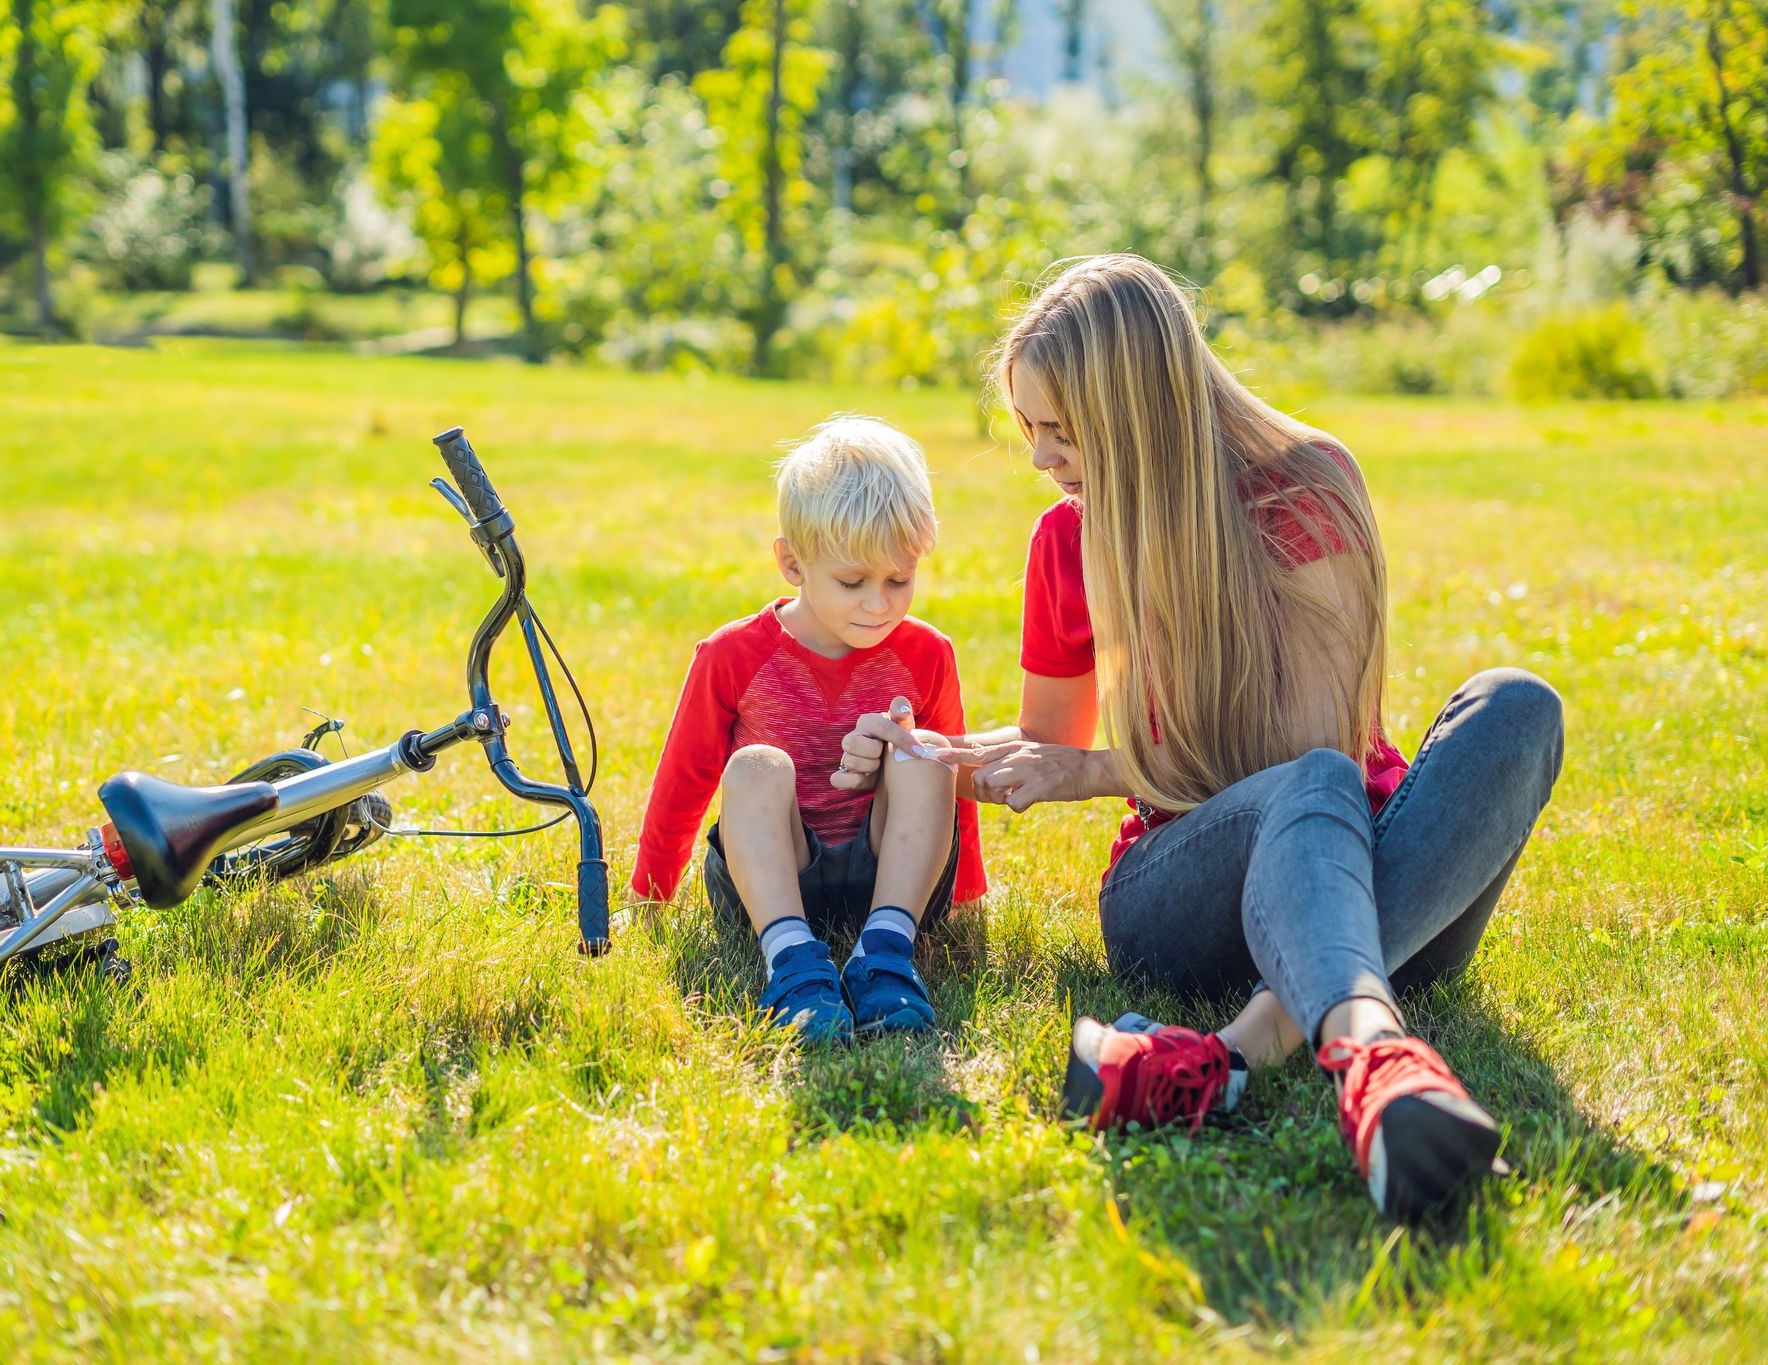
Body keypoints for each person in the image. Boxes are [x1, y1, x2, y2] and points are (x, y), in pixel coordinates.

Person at [835, 256, 1563, 1220]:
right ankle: (1373, 1055)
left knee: (1517, 706)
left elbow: (1313, 753)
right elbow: (1050, 740)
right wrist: (923, 753)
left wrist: (1095, 768)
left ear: (1144, 409)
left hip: (1386, 883)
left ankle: (1225, 1059)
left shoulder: (1306, 488)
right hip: (1186, 893)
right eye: (1029, 428)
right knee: (1313, 787)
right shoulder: (1066, 539)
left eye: (1066, 430)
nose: (1043, 457)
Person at [630, 416, 986, 1044]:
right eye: (852, 582)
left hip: (892, 877)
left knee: (928, 752)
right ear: (792, 563)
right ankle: (792, 961)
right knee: (756, 767)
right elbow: (684, 778)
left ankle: (885, 951)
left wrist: (966, 890)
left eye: (899, 580)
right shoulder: (732, 654)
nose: (879, 604)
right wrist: (651, 893)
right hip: (772, 880)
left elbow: (956, 790)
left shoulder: (929, 652)